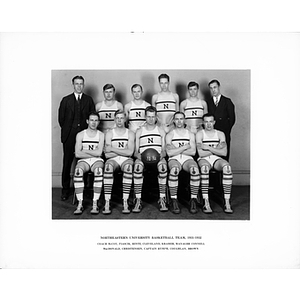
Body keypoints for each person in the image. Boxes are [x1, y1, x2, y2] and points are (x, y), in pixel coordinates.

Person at [58, 75, 95, 201]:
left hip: (85, 136)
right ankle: (65, 190)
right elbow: (61, 119)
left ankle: (85, 190)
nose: (79, 86)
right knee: (67, 163)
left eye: (81, 84)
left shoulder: (88, 100)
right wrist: (70, 130)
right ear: (73, 85)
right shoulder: (65, 100)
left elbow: (92, 118)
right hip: (69, 136)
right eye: (77, 84)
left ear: (83, 85)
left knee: (84, 162)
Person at [132, 106, 168, 212]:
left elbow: (164, 150)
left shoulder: (161, 131)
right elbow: (135, 151)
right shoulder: (139, 131)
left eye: (153, 117)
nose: (151, 119)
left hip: (157, 158)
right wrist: (137, 155)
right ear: (145, 117)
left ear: (156, 117)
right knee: (137, 168)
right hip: (143, 158)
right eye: (148, 117)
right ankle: (138, 199)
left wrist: (163, 154)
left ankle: (162, 198)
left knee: (163, 168)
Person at [195, 113, 233, 214]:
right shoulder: (200, 134)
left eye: (211, 122)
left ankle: (227, 201)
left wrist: (207, 147)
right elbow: (201, 153)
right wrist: (216, 149)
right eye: (206, 122)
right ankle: (206, 201)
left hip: (217, 159)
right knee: (204, 169)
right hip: (204, 159)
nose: (208, 124)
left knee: (227, 168)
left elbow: (224, 153)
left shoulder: (220, 134)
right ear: (203, 123)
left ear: (214, 122)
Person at [166, 112, 200, 214]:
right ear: (174, 121)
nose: (179, 121)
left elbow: (193, 152)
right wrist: (185, 147)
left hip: (187, 159)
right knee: (174, 170)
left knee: (194, 169)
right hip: (174, 159)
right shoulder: (170, 134)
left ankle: (193, 199)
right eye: (177, 119)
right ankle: (173, 199)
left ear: (185, 120)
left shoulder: (190, 134)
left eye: (181, 119)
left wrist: (176, 149)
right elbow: (169, 152)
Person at [102, 110, 135, 215]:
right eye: (117, 118)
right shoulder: (109, 133)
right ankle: (107, 201)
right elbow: (107, 154)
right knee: (108, 167)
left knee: (128, 168)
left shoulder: (130, 133)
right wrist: (122, 152)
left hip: (126, 160)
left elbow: (130, 152)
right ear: (114, 119)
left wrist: (113, 149)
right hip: (113, 160)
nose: (120, 120)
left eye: (122, 118)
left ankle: (125, 200)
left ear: (125, 119)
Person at [73, 112, 104, 215]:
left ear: (98, 122)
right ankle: (80, 203)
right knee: (77, 171)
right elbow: (77, 153)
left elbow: (99, 153)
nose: (93, 123)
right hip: (84, 161)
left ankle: (95, 202)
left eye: (96, 120)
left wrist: (84, 152)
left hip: (97, 161)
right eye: (91, 120)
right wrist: (93, 153)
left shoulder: (101, 135)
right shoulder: (81, 134)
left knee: (99, 171)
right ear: (87, 121)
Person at [206, 79, 235, 161]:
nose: (213, 90)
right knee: (212, 152)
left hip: (224, 130)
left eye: (215, 87)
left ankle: (224, 171)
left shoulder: (227, 101)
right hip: (211, 131)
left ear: (219, 87)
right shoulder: (208, 102)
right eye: (211, 88)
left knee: (224, 152)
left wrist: (226, 129)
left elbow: (232, 118)